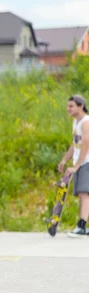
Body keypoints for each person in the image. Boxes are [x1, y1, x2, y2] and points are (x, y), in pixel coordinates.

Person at [59, 95, 89, 238]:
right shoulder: (76, 123)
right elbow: (75, 143)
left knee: (84, 194)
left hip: (86, 162)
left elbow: (85, 145)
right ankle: (84, 226)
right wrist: (65, 159)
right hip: (80, 162)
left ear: (81, 106)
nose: (68, 109)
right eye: (68, 106)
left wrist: (76, 166)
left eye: (71, 106)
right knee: (83, 195)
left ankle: (81, 226)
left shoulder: (85, 122)